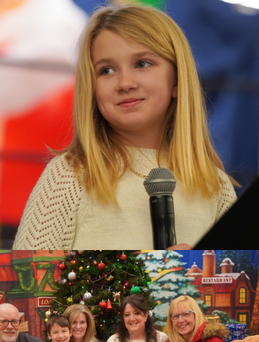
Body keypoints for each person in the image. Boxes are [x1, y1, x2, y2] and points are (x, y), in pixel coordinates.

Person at [14, 4, 237, 250]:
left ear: (177, 80)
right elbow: (28, 273)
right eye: (107, 70)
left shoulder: (216, 187)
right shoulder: (70, 175)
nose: (125, 83)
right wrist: (146, 272)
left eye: (142, 64)